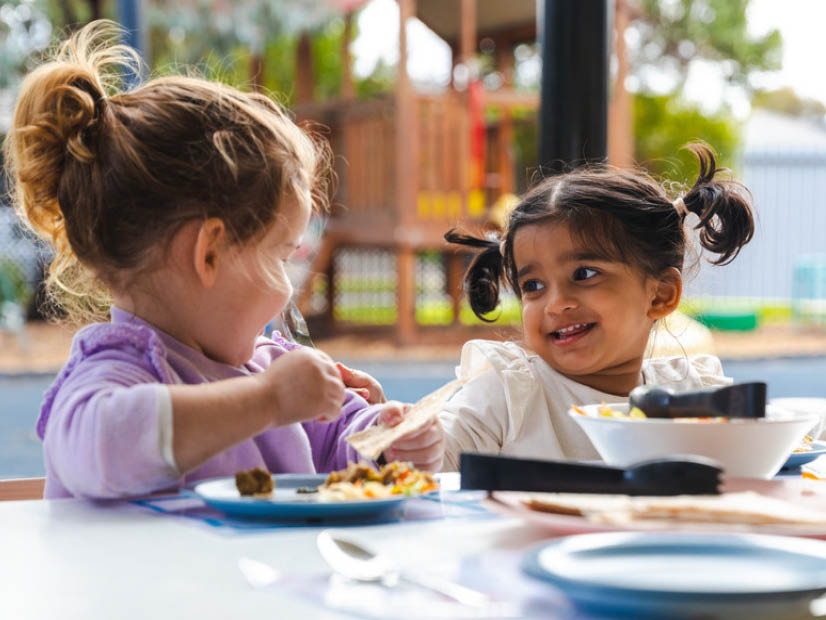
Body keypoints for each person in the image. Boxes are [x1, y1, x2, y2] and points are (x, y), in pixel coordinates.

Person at [4, 21, 443, 499]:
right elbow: (106, 448)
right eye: (280, 256)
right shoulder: (111, 374)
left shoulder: (263, 364)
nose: (287, 287)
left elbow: (339, 440)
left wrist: (387, 438)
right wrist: (270, 401)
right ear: (208, 253)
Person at [439, 144, 754, 470]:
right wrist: (390, 427)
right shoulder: (507, 394)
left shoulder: (694, 395)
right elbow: (432, 454)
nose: (556, 304)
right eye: (533, 286)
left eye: (584, 274)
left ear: (660, 295)